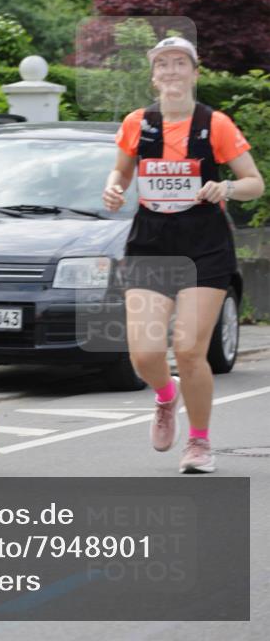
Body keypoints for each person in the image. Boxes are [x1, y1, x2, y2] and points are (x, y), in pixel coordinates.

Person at [102, 37, 264, 474]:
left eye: (180, 64)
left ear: (195, 72)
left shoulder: (217, 125)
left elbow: (255, 182)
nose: (171, 72)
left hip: (203, 241)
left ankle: (198, 442)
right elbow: (121, 170)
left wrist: (227, 187)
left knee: (190, 348)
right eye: (163, 65)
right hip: (151, 239)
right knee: (144, 354)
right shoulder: (138, 123)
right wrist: (115, 187)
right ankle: (166, 395)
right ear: (154, 77)